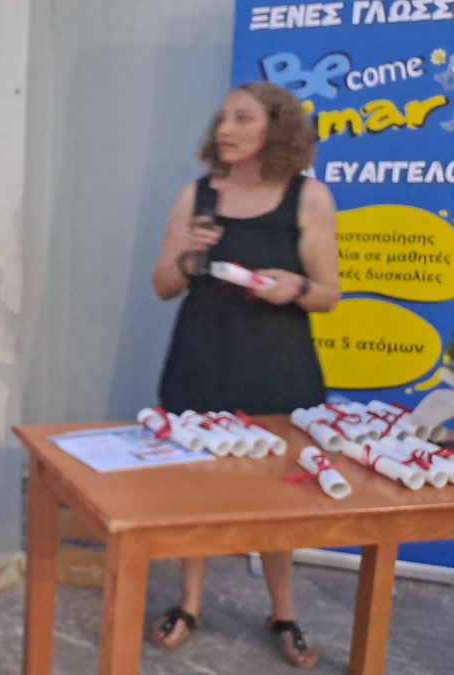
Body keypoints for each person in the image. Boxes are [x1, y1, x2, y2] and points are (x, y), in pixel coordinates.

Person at [149, 81, 340, 669]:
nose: (224, 129)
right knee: (195, 488)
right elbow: (163, 285)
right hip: (202, 358)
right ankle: (189, 604)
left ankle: (283, 613)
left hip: (277, 366)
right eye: (223, 119)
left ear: (275, 129)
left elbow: (329, 294)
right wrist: (188, 255)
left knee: (278, 494)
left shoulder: (309, 197)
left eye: (241, 119)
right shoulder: (196, 195)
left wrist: (296, 288)